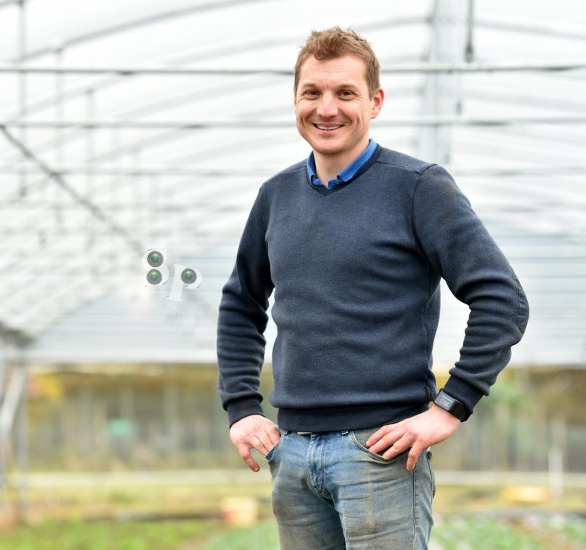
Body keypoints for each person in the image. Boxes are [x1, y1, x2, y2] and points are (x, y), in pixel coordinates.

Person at [216, 26, 529, 549]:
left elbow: (503, 300)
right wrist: (242, 407)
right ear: (295, 101)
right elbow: (240, 304)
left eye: (345, 92)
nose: (326, 108)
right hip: (292, 452)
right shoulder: (275, 196)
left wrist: (451, 405)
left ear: (375, 101)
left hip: (379, 452)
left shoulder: (418, 188)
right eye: (312, 92)